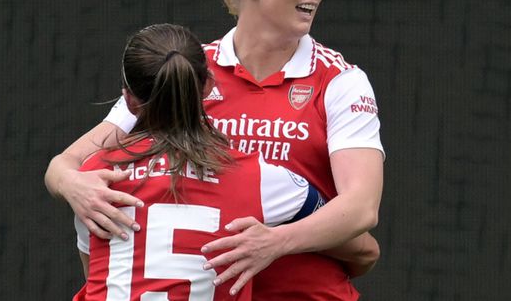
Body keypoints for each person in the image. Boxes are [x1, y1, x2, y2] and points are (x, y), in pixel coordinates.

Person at [46, 0, 384, 300]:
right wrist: (76, 188)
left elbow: (360, 210)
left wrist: (275, 241)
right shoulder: (187, 70)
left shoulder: (339, 80)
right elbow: (67, 164)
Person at [72, 23, 328, 300]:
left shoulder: (93, 181)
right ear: (207, 86)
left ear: (129, 100)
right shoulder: (256, 176)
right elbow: (354, 242)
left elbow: (97, 272)